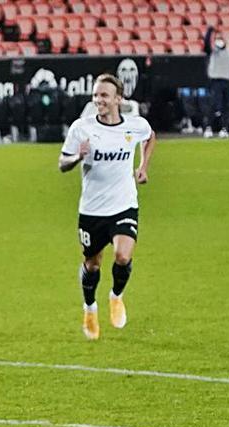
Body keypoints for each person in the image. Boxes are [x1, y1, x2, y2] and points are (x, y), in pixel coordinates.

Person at [59, 73, 155, 341]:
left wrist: (143, 166)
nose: (98, 100)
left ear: (118, 99)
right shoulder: (82, 128)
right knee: (92, 264)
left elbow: (150, 137)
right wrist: (79, 156)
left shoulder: (135, 125)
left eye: (104, 95)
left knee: (123, 256)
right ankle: (90, 308)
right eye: (96, 95)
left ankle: (116, 296)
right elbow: (62, 163)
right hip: (92, 210)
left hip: (124, 204)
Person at [203, 26, 229, 139]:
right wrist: (210, 32)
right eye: (217, 38)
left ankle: (224, 129)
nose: (219, 40)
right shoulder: (212, 51)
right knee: (214, 105)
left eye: (221, 38)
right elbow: (206, 44)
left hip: (228, 81)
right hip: (216, 81)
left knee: (227, 106)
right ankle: (208, 128)